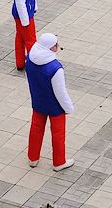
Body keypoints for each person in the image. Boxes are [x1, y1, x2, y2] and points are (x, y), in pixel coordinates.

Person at [26, 32, 75, 171]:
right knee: (58, 133)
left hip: (38, 100)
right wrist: (69, 108)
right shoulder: (55, 68)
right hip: (54, 106)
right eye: (55, 45)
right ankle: (59, 162)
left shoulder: (30, 57)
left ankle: (33, 158)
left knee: (36, 128)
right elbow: (60, 92)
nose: (57, 46)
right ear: (50, 48)